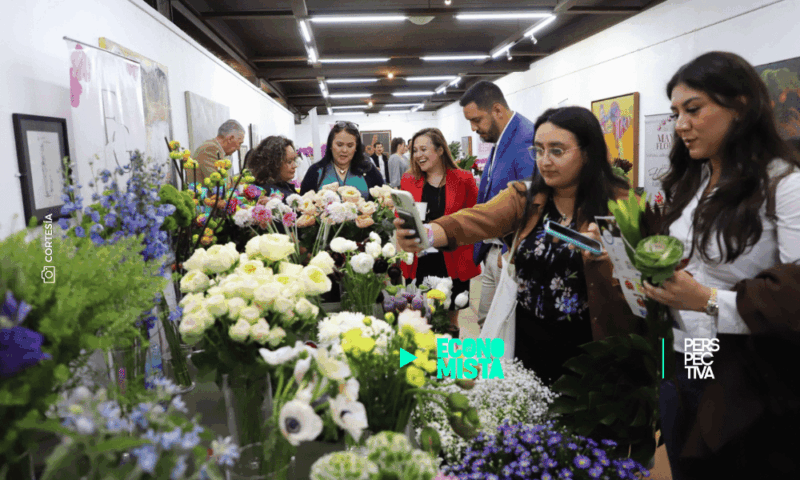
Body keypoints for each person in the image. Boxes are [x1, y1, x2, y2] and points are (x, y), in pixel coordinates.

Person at [636, 52, 800, 478]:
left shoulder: (785, 184)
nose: (680, 124)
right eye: (675, 112)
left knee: (736, 458)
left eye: (694, 109)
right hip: (693, 348)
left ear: (741, 107)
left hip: (752, 368)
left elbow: (795, 296)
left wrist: (706, 300)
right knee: (690, 434)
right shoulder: (695, 180)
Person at [395, 107, 637, 385]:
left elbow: (645, 293)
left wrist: (609, 261)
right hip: (527, 339)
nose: (544, 161)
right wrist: (425, 234)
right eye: (539, 150)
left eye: (557, 151)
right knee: (417, 359)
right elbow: (476, 219)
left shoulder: (622, 205)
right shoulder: (525, 197)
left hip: (591, 348)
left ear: (587, 152)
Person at [460, 81, 537, 329]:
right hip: (494, 251)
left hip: (509, 254)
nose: (473, 128)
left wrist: (514, 250)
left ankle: (501, 370)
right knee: (487, 324)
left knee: (500, 330)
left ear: (497, 111)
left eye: (477, 120)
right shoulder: (504, 138)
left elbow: (532, 202)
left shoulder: (525, 139)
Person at [399, 128, 481, 337]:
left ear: (440, 150)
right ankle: (422, 366)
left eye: (424, 149)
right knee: (420, 316)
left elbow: (475, 221)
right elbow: (401, 217)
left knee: (450, 318)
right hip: (421, 259)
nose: (418, 155)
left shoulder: (464, 180)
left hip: (453, 258)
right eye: (414, 150)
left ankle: (447, 366)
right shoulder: (409, 180)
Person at [300, 121, 384, 199]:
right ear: (330, 145)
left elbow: (384, 200)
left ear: (356, 148)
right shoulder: (315, 171)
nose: (344, 150)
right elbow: (303, 205)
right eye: (339, 145)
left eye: (350, 145)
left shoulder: (368, 169)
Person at [190, 119, 245, 185]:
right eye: (239, 143)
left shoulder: (215, 148)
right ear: (230, 139)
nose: (239, 148)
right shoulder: (211, 149)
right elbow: (219, 184)